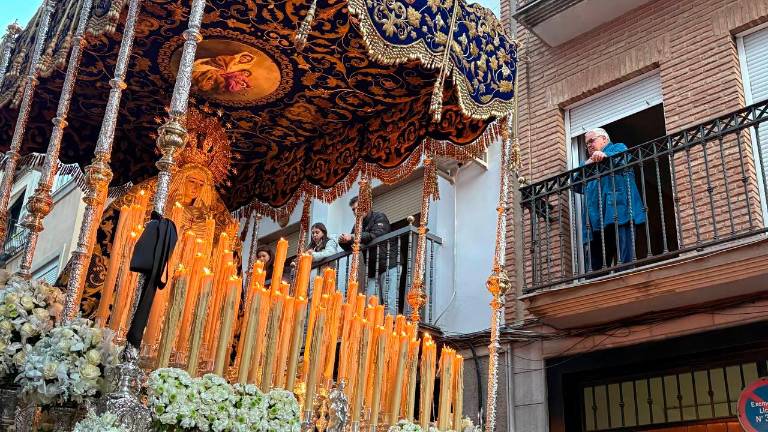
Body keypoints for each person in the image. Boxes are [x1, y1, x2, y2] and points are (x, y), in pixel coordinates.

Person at [576, 128, 646, 272]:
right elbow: (575, 184)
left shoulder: (617, 147)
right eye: (586, 144)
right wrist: (587, 164)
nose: (588, 145)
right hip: (595, 220)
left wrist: (605, 155)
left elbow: (623, 158)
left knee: (624, 259)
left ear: (604, 139)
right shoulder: (588, 163)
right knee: (596, 267)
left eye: (591, 141)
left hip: (620, 212)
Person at [338, 196, 396, 303]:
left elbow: (376, 234)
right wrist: (343, 242)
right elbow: (351, 245)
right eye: (353, 209)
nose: (355, 211)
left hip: (390, 264)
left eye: (357, 208)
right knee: (371, 302)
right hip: (372, 270)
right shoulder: (357, 226)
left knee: (389, 300)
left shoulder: (379, 216)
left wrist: (352, 237)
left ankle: (391, 320)